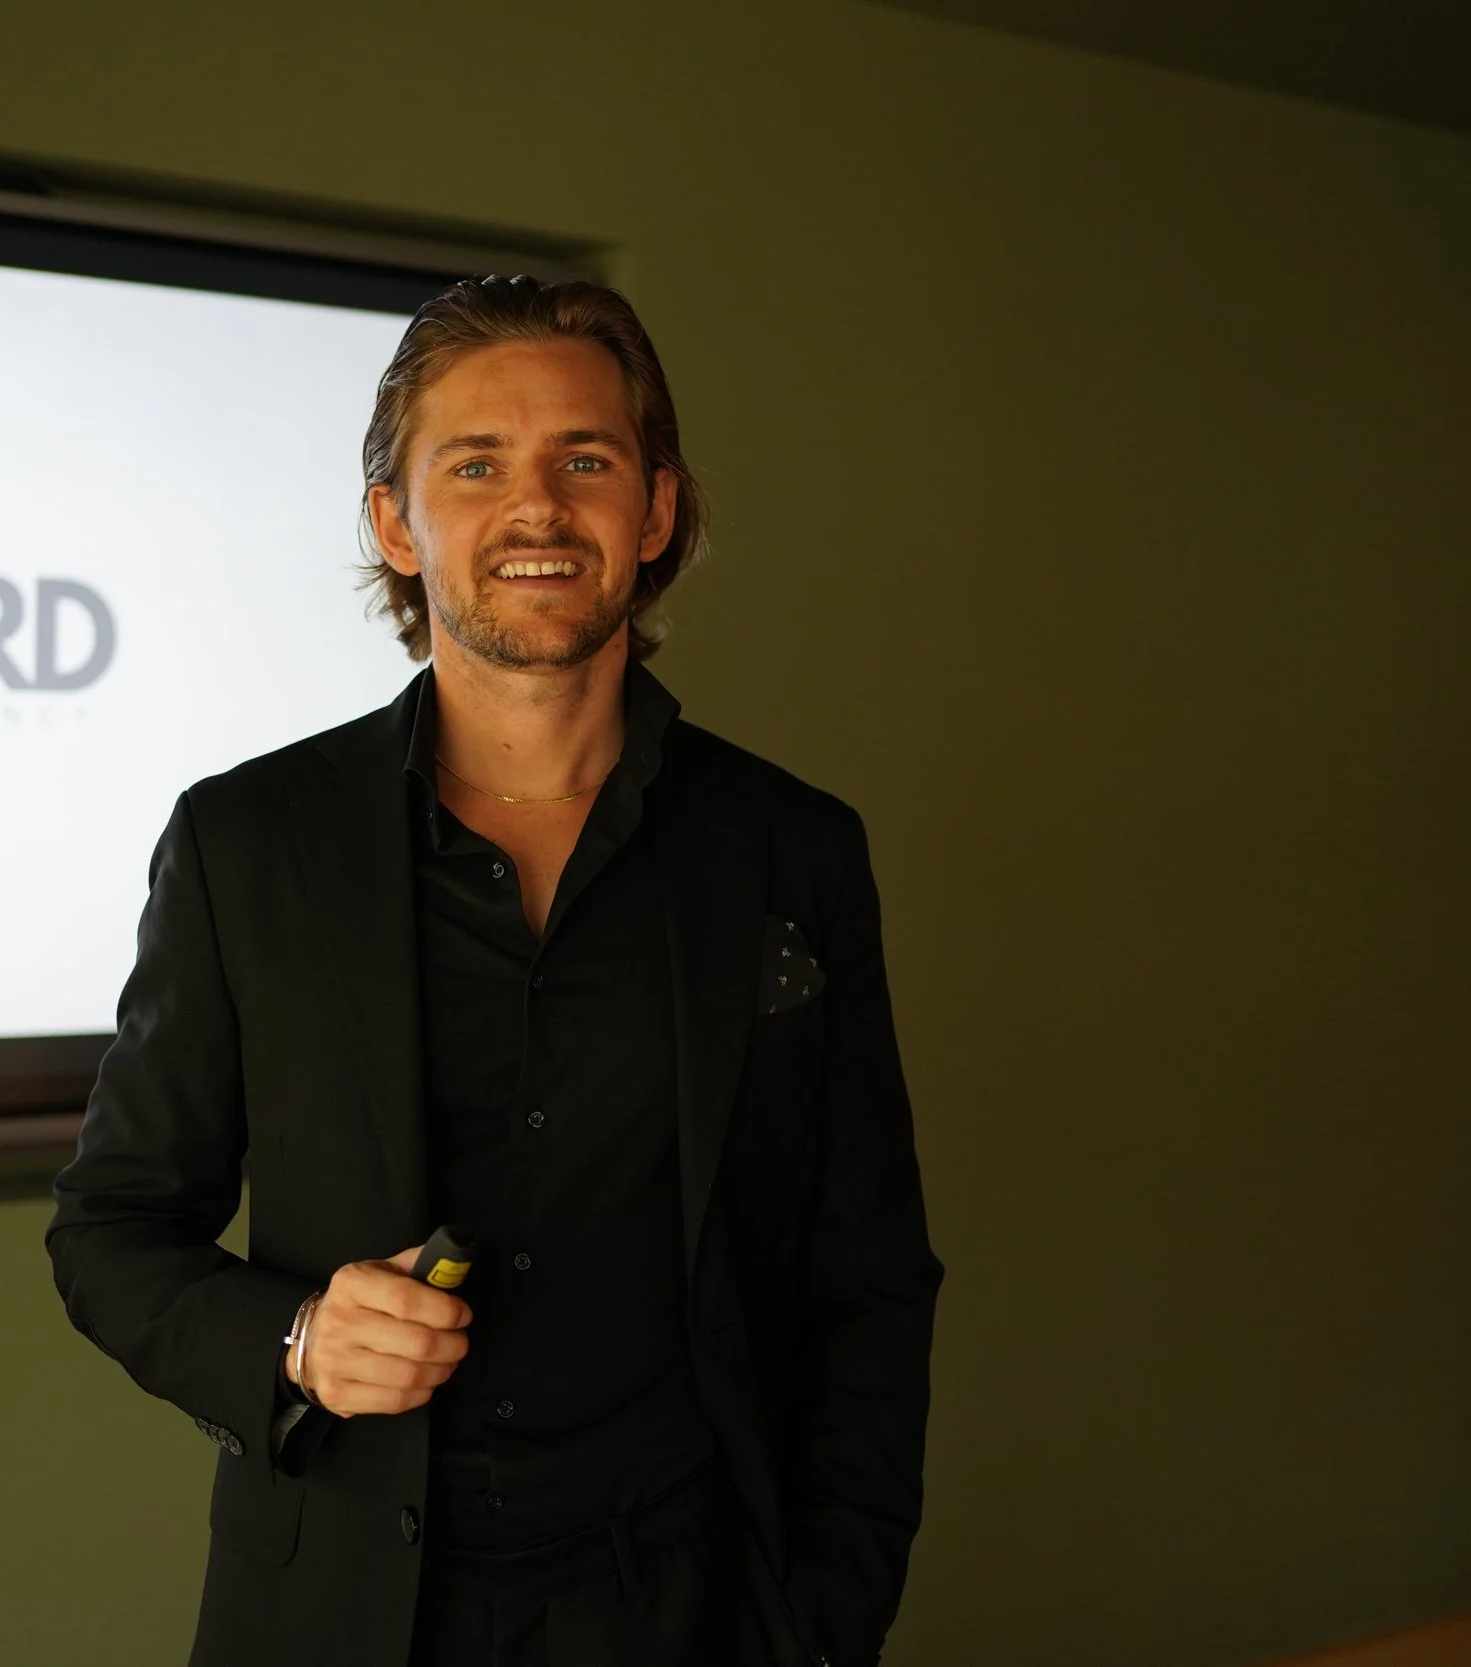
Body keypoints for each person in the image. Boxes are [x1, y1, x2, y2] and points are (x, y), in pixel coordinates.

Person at [46, 275, 941, 1667]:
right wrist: (295, 1340)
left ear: (656, 510)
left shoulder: (795, 850)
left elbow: (869, 1275)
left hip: (702, 1611)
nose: (537, 509)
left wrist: (828, 1619)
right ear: (395, 525)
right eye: (475, 465)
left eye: (586, 460)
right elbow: (109, 1232)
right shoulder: (247, 843)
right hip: (345, 1614)